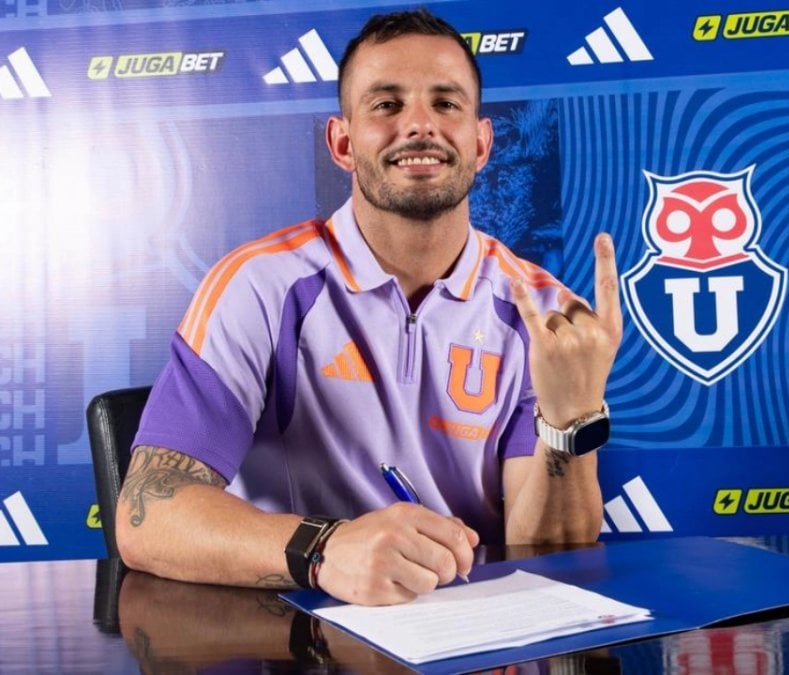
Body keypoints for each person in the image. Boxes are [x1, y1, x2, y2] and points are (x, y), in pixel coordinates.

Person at [115, 9, 622, 606]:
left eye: (446, 103)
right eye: (386, 104)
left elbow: (550, 555)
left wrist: (568, 421)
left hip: (467, 629)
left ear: (482, 143)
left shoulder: (543, 312)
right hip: (290, 629)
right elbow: (149, 518)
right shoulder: (259, 285)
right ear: (342, 142)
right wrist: (325, 550)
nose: (420, 125)